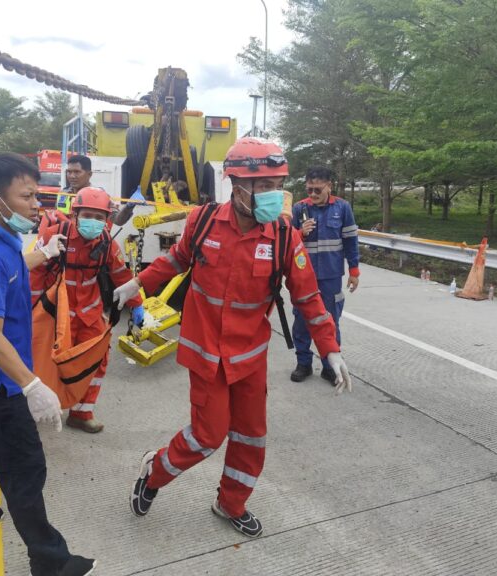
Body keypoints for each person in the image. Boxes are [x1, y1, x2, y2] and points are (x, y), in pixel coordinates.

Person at [114, 137, 351, 538]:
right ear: (236, 186)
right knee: (206, 435)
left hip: (249, 355)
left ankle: (230, 502)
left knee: (250, 437)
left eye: (277, 185)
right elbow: (176, 259)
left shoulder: (283, 237)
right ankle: (152, 472)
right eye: (262, 187)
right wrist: (137, 283)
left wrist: (330, 349)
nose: (272, 195)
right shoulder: (204, 222)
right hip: (205, 350)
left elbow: (308, 296)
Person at [0, 153, 97, 576]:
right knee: (26, 468)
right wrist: (32, 385)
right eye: (27, 196)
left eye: (37, 194)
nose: (37, 205)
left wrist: (41, 254)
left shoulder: (1, 242)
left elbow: (11, 268)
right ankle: (50, 561)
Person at [31, 187, 144, 433]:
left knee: (96, 360)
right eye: (87, 215)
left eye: (99, 217)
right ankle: (38, 406)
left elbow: (121, 277)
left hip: (89, 312)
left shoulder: (107, 244)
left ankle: (82, 412)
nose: (93, 222)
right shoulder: (54, 236)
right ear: (75, 214)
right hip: (57, 312)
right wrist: (25, 309)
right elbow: (35, 273)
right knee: (46, 360)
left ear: (107, 220)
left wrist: (137, 305)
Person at [290, 167, 360, 384]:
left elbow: (350, 240)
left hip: (330, 276)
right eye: (309, 189)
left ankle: (330, 366)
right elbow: (286, 241)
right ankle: (304, 363)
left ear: (329, 185)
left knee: (330, 321)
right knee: (302, 321)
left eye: (317, 189)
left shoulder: (342, 207)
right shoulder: (299, 209)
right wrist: (300, 233)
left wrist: (354, 270)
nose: (312, 194)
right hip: (304, 277)